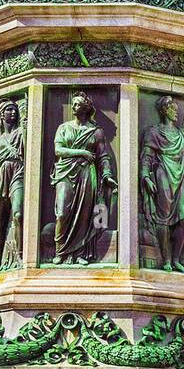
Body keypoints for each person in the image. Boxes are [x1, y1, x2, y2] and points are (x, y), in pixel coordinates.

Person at [52, 92, 117, 265]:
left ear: (86, 108)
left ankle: (80, 253)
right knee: (62, 213)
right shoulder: (64, 128)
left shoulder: (96, 132)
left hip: (87, 174)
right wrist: (81, 152)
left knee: (85, 216)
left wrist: (107, 175)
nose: (73, 107)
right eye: (72, 103)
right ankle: (61, 250)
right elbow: (58, 150)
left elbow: (103, 156)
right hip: (65, 172)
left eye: (77, 104)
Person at [139, 95, 184, 272]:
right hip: (163, 173)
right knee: (163, 218)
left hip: (182, 176)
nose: (176, 112)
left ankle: (176, 259)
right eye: (173, 108)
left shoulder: (183, 134)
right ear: (165, 110)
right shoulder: (154, 132)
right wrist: (145, 176)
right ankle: (166, 260)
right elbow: (147, 156)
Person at [0, 99, 25, 272]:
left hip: (18, 173)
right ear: (1, 115)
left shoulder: (21, 133)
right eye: (9, 110)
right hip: (2, 179)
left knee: (17, 214)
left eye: (15, 110)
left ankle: (22, 255)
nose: (13, 113)